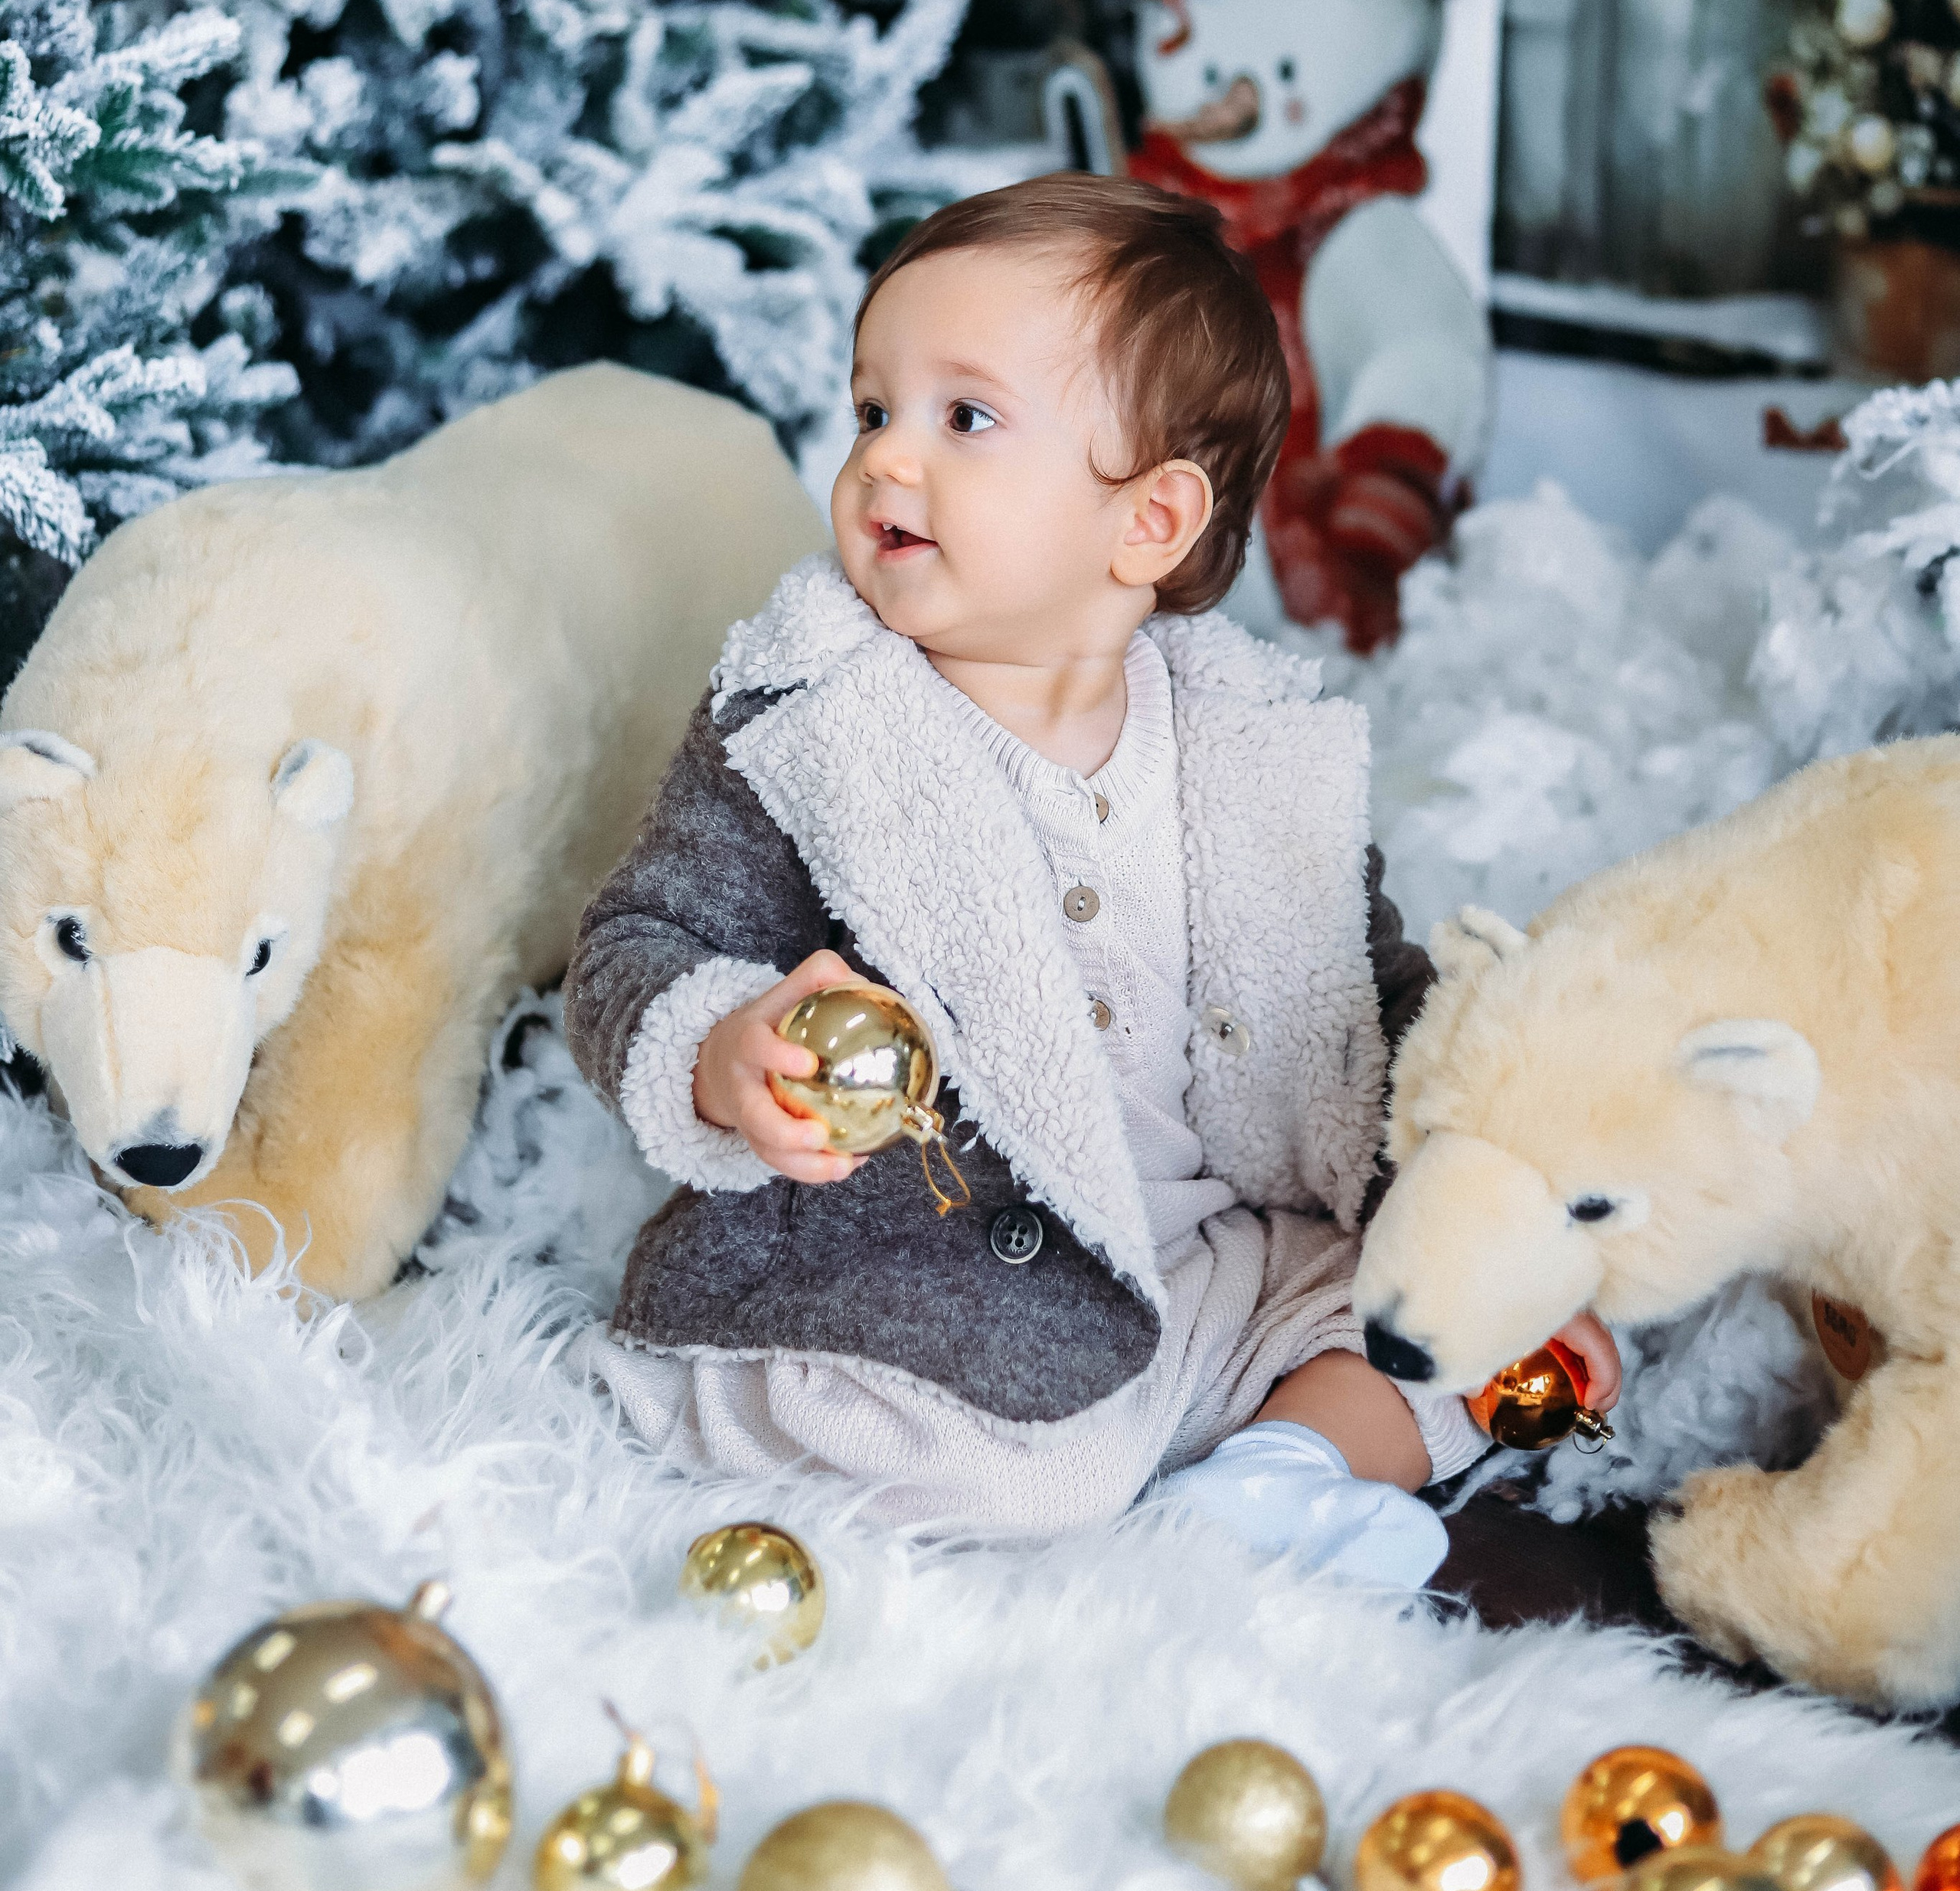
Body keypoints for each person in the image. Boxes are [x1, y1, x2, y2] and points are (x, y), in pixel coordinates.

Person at [565, 176, 1619, 1573]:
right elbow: (639, 934)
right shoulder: (811, 717)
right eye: (871, 409)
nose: (886, 459)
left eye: (965, 417)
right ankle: (1215, 1482)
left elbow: (1366, 1007)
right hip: (910, 1271)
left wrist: (1480, 1199)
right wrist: (720, 1050)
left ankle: (1273, 1482)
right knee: (1030, 1469)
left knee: (1489, 1339)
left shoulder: (1249, 751)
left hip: (1206, 1251)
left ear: (1149, 522)